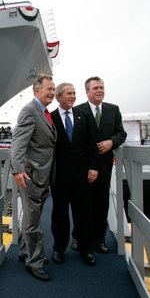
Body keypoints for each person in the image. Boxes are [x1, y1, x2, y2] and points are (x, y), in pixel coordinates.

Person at [74, 76, 127, 254]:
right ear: (87, 92)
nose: (99, 91)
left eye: (102, 87)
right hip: (83, 167)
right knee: (83, 204)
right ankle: (78, 237)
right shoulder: (77, 110)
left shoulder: (113, 110)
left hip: (104, 167)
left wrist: (111, 142)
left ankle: (99, 239)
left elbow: (121, 133)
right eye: (95, 88)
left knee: (101, 204)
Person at [11, 74, 56, 281]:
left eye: (53, 89)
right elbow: (19, 142)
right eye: (49, 89)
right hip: (30, 175)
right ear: (37, 90)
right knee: (33, 221)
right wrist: (18, 169)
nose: (52, 93)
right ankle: (34, 262)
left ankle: (25, 252)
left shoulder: (43, 111)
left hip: (41, 173)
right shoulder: (30, 110)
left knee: (32, 216)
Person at [50, 83, 98, 266]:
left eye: (74, 93)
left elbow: (91, 143)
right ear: (59, 97)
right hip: (60, 177)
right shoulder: (51, 118)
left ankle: (86, 249)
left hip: (82, 175)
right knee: (59, 213)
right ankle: (59, 248)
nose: (73, 96)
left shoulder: (84, 115)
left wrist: (93, 167)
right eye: (69, 93)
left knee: (83, 213)